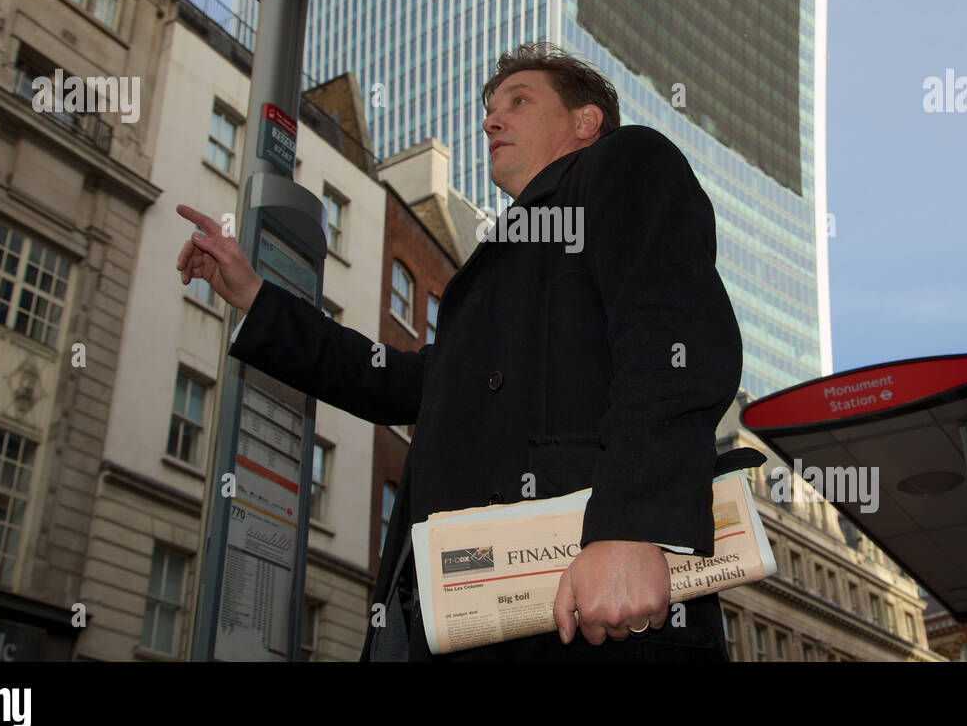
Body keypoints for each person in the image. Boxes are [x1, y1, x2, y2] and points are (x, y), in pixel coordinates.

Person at [176, 42, 742, 661]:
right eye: (489, 109)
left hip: (588, 599)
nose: (490, 121)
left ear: (586, 122)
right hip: (448, 613)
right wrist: (257, 298)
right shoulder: (498, 265)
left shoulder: (626, 162)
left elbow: (672, 336)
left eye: (518, 102)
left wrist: (633, 526)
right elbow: (399, 382)